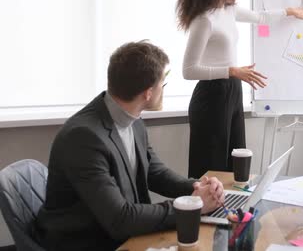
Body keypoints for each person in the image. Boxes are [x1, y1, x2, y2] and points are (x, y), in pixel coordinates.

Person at [34, 41, 225, 251]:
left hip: (118, 232)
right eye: (163, 83)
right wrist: (190, 206)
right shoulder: (84, 137)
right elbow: (120, 219)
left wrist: (198, 187)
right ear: (148, 93)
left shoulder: (133, 120)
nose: (164, 88)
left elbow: (155, 172)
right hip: (89, 241)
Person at [177, 0, 303, 178]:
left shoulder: (227, 11)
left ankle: (230, 211)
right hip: (211, 96)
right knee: (211, 168)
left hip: (232, 91)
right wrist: (231, 71)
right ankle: (207, 211)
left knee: (234, 162)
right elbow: (188, 70)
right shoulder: (204, 20)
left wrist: (289, 11)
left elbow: (260, 17)